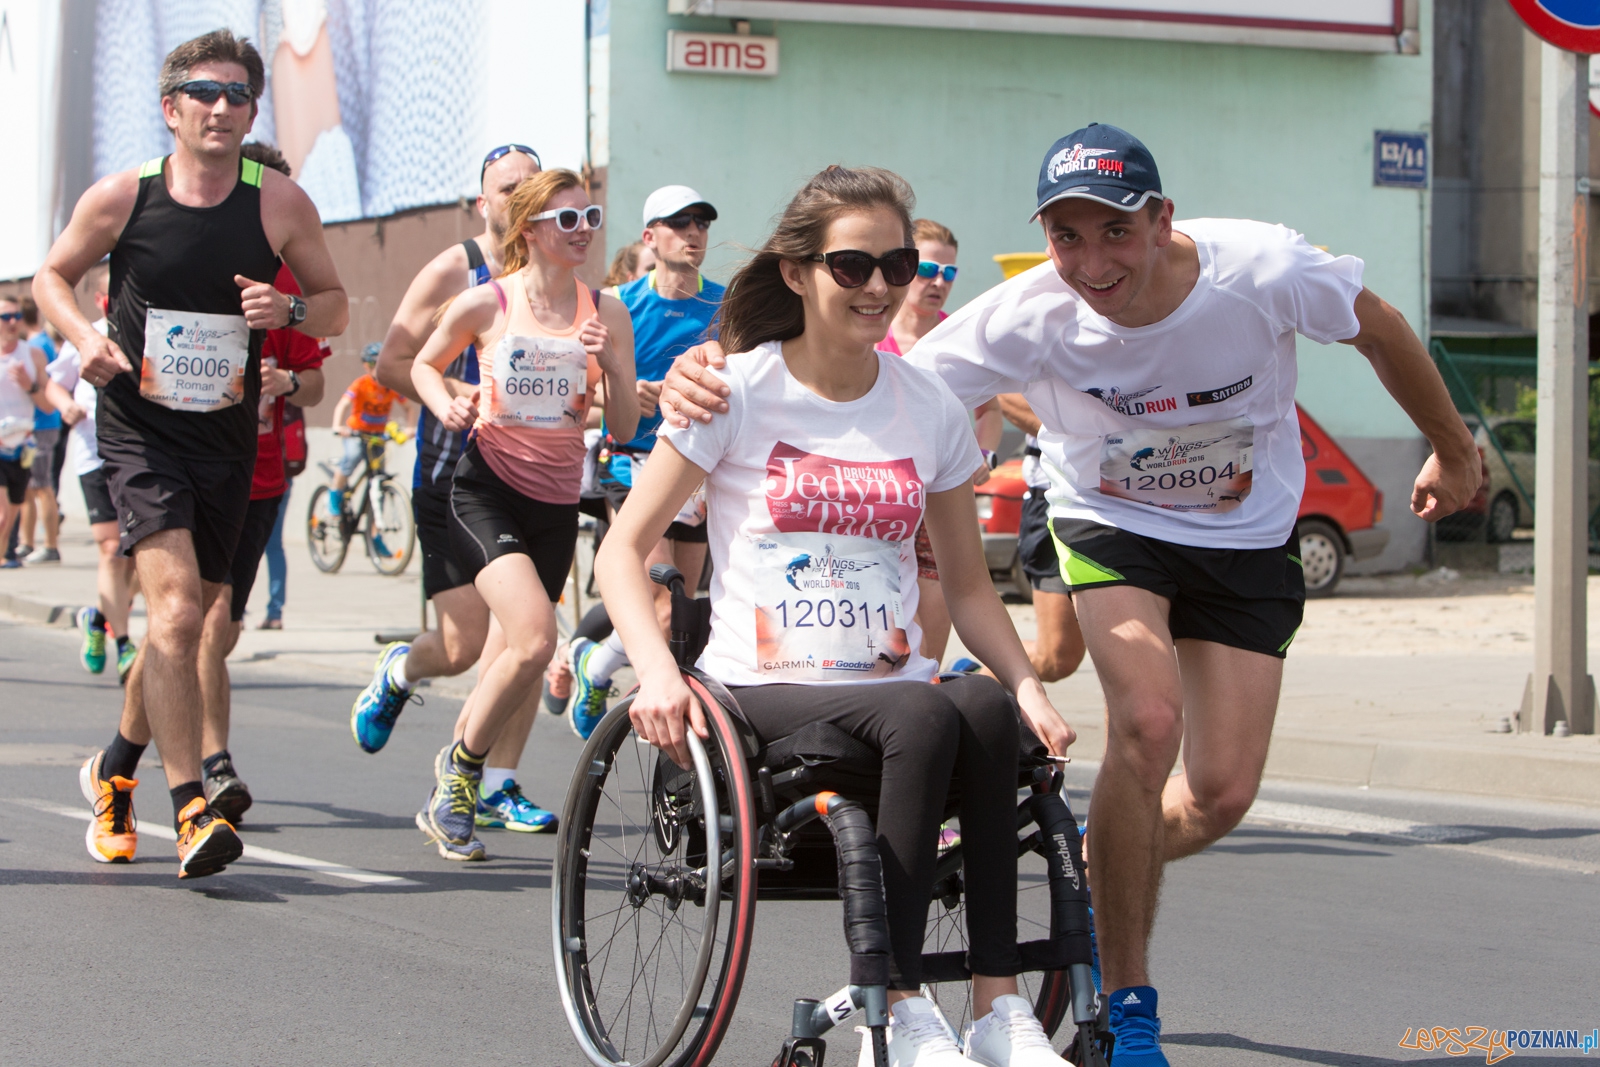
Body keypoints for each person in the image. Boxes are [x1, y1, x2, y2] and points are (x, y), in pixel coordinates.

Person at [658, 124, 1482, 1066]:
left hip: (1247, 536)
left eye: (1116, 232)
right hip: (1111, 525)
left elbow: (1379, 327)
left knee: (1221, 791)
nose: (1092, 264)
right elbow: (855, 377)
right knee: (1148, 720)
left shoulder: (1261, 268)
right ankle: (1128, 1003)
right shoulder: (1030, 314)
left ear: (1162, 220)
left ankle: (1102, 850)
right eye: (1066, 238)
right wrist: (709, 371)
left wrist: (1453, 447)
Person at [600, 165, 1075, 1067]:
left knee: (979, 705)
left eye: (897, 265)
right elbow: (620, 551)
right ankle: (896, 1007)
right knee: (924, 709)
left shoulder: (929, 406)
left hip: (891, 686)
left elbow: (969, 587)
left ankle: (997, 1006)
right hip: (762, 688)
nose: (878, 286)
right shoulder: (733, 390)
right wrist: (657, 670)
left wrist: (1026, 686)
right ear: (798, 273)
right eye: (852, 265)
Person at [36, 29, 348, 879]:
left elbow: (333, 304)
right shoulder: (125, 195)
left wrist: (286, 313)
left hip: (225, 436)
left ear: (252, 110)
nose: (221, 108)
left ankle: (113, 769)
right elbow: (51, 277)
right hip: (139, 428)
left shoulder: (277, 202)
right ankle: (190, 810)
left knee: (190, 623)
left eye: (238, 94)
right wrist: (85, 338)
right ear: (170, 108)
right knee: (174, 615)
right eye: (204, 93)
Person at [409, 167, 637, 860]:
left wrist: (613, 365)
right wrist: (445, 400)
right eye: (567, 219)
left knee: (520, 651)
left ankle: (461, 764)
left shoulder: (607, 312)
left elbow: (626, 425)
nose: (583, 231)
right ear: (531, 230)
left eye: (591, 217)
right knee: (536, 640)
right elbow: (422, 364)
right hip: (485, 491)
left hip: (555, 505)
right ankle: (462, 774)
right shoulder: (489, 302)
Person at [357, 144, 559, 835]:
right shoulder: (456, 269)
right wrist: (457, 390)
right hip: (453, 479)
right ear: (483, 203)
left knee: (529, 636)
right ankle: (401, 670)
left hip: (530, 480)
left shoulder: (557, 274)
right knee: (464, 645)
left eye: (532, 185)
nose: (521, 197)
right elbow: (392, 362)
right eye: (507, 188)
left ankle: (496, 784)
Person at [197, 144, 330, 825]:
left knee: (220, 630)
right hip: (193, 469)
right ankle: (213, 764)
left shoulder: (284, 286)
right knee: (202, 619)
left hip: (261, 478)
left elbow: (317, 381)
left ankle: (159, 703)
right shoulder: (193, 261)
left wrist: (287, 381)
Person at [567, 185, 724, 739]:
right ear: (649, 236)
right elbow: (580, 393)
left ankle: (595, 663)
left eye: (701, 223)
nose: (693, 233)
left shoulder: (726, 303)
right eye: (679, 224)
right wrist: (626, 391)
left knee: (681, 608)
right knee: (660, 605)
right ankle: (630, 686)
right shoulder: (617, 303)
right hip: (632, 460)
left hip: (696, 468)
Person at [870, 219, 1002, 666]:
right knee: (877, 649)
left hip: (938, 501)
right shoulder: (871, 333)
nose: (938, 283)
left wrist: (983, 455)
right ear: (904, 267)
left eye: (949, 273)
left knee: (927, 656)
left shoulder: (959, 338)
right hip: (878, 500)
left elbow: (990, 413)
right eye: (927, 270)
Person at [43, 264, 141, 682]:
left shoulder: (148, 332)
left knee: (140, 560)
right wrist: (66, 405)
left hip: (143, 457)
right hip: (94, 455)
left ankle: (98, 619)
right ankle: (124, 644)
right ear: (102, 299)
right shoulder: (86, 334)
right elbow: (54, 385)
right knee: (111, 549)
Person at [996, 395, 1085, 682]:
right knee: (1056, 658)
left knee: (1130, 651)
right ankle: (971, 683)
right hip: (1056, 499)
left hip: (1143, 500)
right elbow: (1001, 390)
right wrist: (1094, 431)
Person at [0, 296, 51, 570]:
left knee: (12, 513)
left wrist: (29, 385)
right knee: (2, 515)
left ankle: (5, 557)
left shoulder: (33, 354)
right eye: (5, 317)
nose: (12, 322)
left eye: (16, 316)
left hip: (23, 446)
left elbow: (48, 405)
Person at [327, 343, 407, 516]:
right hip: (356, 433)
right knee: (352, 457)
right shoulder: (361, 384)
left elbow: (409, 408)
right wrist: (337, 426)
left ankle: (376, 526)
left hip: (378, 435)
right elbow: (343, 404)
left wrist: (409, 429)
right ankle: (334, 495)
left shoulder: (391, 386)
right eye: (375, 364)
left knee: (379, 475)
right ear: (367, 366)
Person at [18, 296, 64, 565]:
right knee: (29, 488)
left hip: (42, 424)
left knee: (41, 486)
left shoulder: (35, 346)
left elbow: (46, 389)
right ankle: (27, 542)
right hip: (33, 425)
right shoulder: (42, 341)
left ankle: (50, 545)